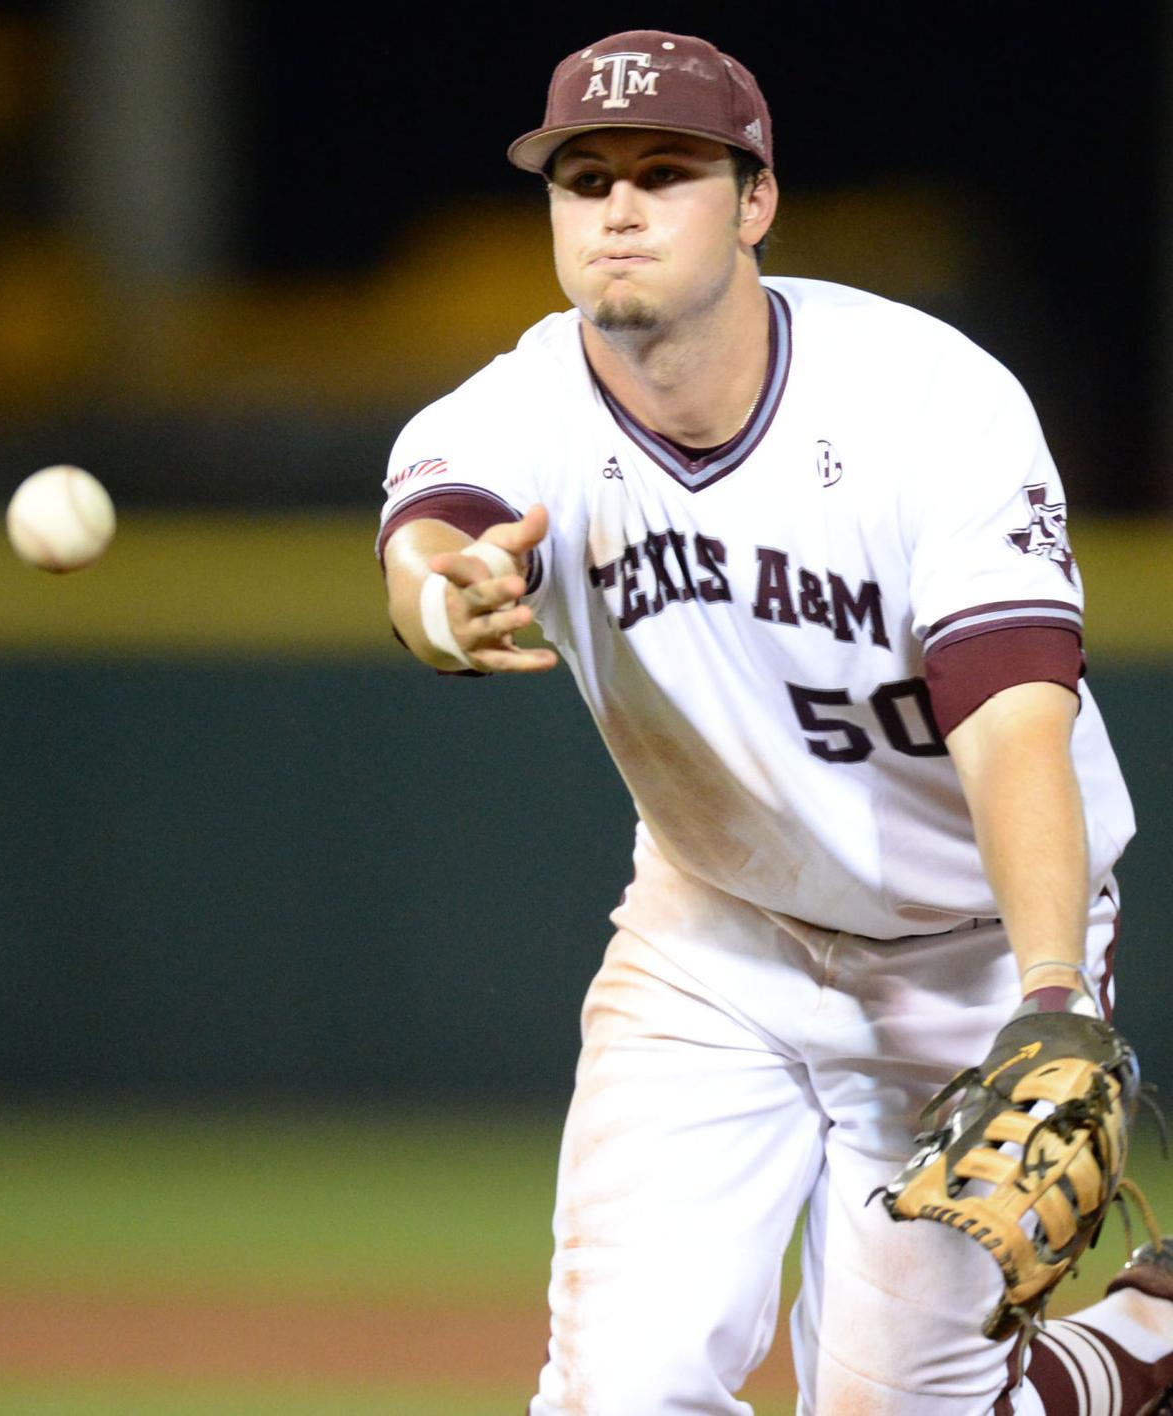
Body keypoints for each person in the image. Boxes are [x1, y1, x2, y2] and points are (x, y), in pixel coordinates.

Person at [378, 29, 1173, 1415]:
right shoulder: (520, 404)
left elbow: (1013, 726)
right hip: (713, 942)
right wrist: (445, 605)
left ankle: (1136, 1348)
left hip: (967, 952)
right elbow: (430, 539)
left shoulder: (929, 401)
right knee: (618, 1396)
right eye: (584, 178)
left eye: (666, 171)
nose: (618, 207)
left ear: (756, 202)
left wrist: (1050, 995)